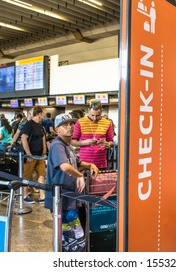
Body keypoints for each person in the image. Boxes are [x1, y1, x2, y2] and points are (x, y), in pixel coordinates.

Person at [45, 113, 99, 252]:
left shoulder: (67, 145)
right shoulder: (57, 145)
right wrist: (80, 175)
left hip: (69, 199)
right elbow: (65, 166)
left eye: (71, 124)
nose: (69, 127)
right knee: (75, 240)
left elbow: (77, 163)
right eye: (65, 125)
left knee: (64, 237)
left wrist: (89, 165)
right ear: (56, 129)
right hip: (62, 200)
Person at [71, 99, 114, 170]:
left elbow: (111, 142)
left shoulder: (107, 123)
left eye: (98, 115)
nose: (94, 118)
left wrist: (107, 144)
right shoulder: (80, 122)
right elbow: (72, 142)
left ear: (101, 111)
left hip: (101, 163)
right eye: (92, 115)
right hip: (84, 163)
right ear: (88, 110)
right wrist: (85, 142)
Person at [21, 105, 47, 204]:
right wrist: (28, 154)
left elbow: (42, 138)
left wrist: (44, 150)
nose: (44, 116)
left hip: (39, 156)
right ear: (39, 114)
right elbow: (24, 139)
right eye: (43, 113)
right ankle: (25, 195)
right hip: (30, 157)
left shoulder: (40, 126)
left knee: (41, 174)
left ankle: (42, 195)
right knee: (27, 176)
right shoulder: (29, 125)